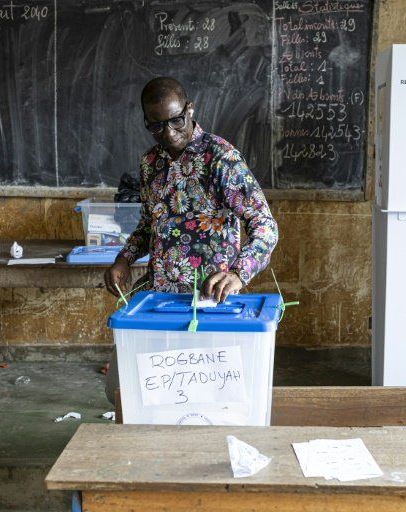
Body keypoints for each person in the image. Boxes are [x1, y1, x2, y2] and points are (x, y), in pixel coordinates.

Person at [103, 77, 278, 403]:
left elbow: (264, 225)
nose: (169, 134)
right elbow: (150, 224)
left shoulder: (221, 158)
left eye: (176, 121)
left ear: (190, 109)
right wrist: (124, 258)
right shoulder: (150, 164)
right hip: (160, 302)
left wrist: (238, 273)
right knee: (130, 394)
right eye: (156, 126)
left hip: (209, 304)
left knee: (209, 400)